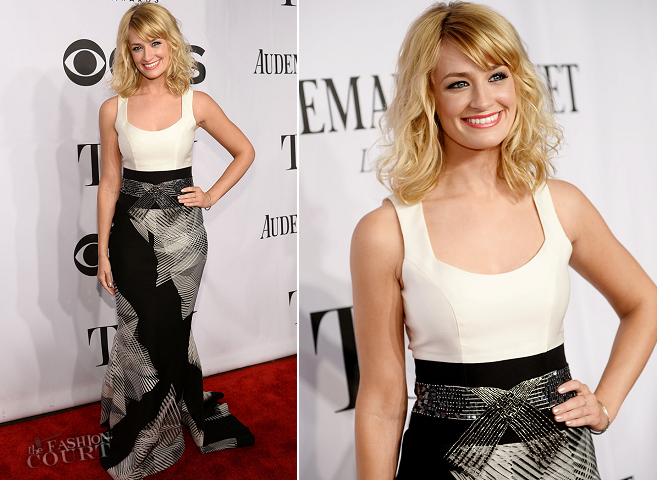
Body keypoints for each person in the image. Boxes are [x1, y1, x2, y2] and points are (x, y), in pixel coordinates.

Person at [350, 2, 657, 479]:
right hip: (446, 464)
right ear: (428, 97)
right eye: (458, 83)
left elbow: (644, 303)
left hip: (563, 461)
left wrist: (606, 403)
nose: (482, 100)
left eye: (497, 76)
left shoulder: (562, 204)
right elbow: (382, 402)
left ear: (518, 84)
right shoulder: (385, 232)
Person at [96, 3, 256, 479]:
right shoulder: (113, 108)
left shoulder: (196, 102)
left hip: (183, 239)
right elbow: (109, 183)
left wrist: (210, 195)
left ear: (172, 43)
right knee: (135, 331)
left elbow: (245, 150)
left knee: (171, 330)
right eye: (137, 47)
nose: (148, 55)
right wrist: (102, 250)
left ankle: (161, 427)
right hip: (130, 235)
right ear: (127, 52)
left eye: (156, 42)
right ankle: (140, 424)